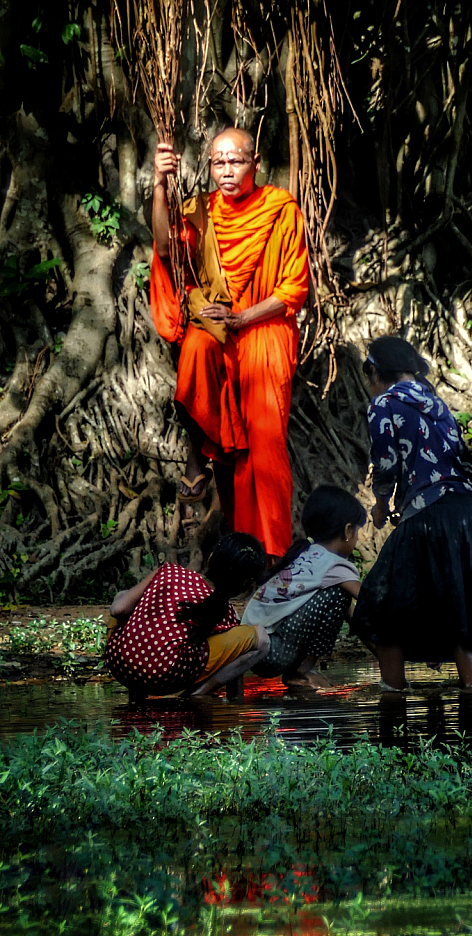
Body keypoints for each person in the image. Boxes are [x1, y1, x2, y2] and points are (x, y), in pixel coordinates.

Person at [150, 127, 309, 560]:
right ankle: (198, 459)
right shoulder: (199, 210)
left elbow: (293, 289)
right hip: (218, 330)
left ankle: (271, 554)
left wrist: (243, 317)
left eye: (235, 161)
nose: (226, 171)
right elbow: (165, 248)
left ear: (255, 164)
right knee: (196, 352)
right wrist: (160, 185)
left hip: (264, 331)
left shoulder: (279, 208)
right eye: (218, 163)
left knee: (263, 446)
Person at [352, 335, 472, 691]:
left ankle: (393, 696)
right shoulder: (436, 401)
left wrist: (381, 504)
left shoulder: (384, 402)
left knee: (380, 606)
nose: (369, 384)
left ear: (376, 372)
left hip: (426, 512)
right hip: (464, 512)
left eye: (369, 376)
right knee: (461, 609)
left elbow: (385, 463)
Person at [105, 534, 269, 698]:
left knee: (124, 596)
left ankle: (137, 697)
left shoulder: (170, 572)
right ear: (245, 586)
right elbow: (233, 657)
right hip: (168, 677)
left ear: (211, 557)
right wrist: (236, 702)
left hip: (120, 664)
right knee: (261, 639)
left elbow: (118, 610)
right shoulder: (227, 613)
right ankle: (194, 696)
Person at [242, 485, 366, 689]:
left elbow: (357, 616)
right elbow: (369, 603)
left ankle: (301, 671)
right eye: (357, 531)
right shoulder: (334, 564)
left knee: (339, 597)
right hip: (273, 654)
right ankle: (302, 671)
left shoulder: (306, 553)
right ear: (347, 531)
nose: (357, 538)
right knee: (339, 596)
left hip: (252, 651)